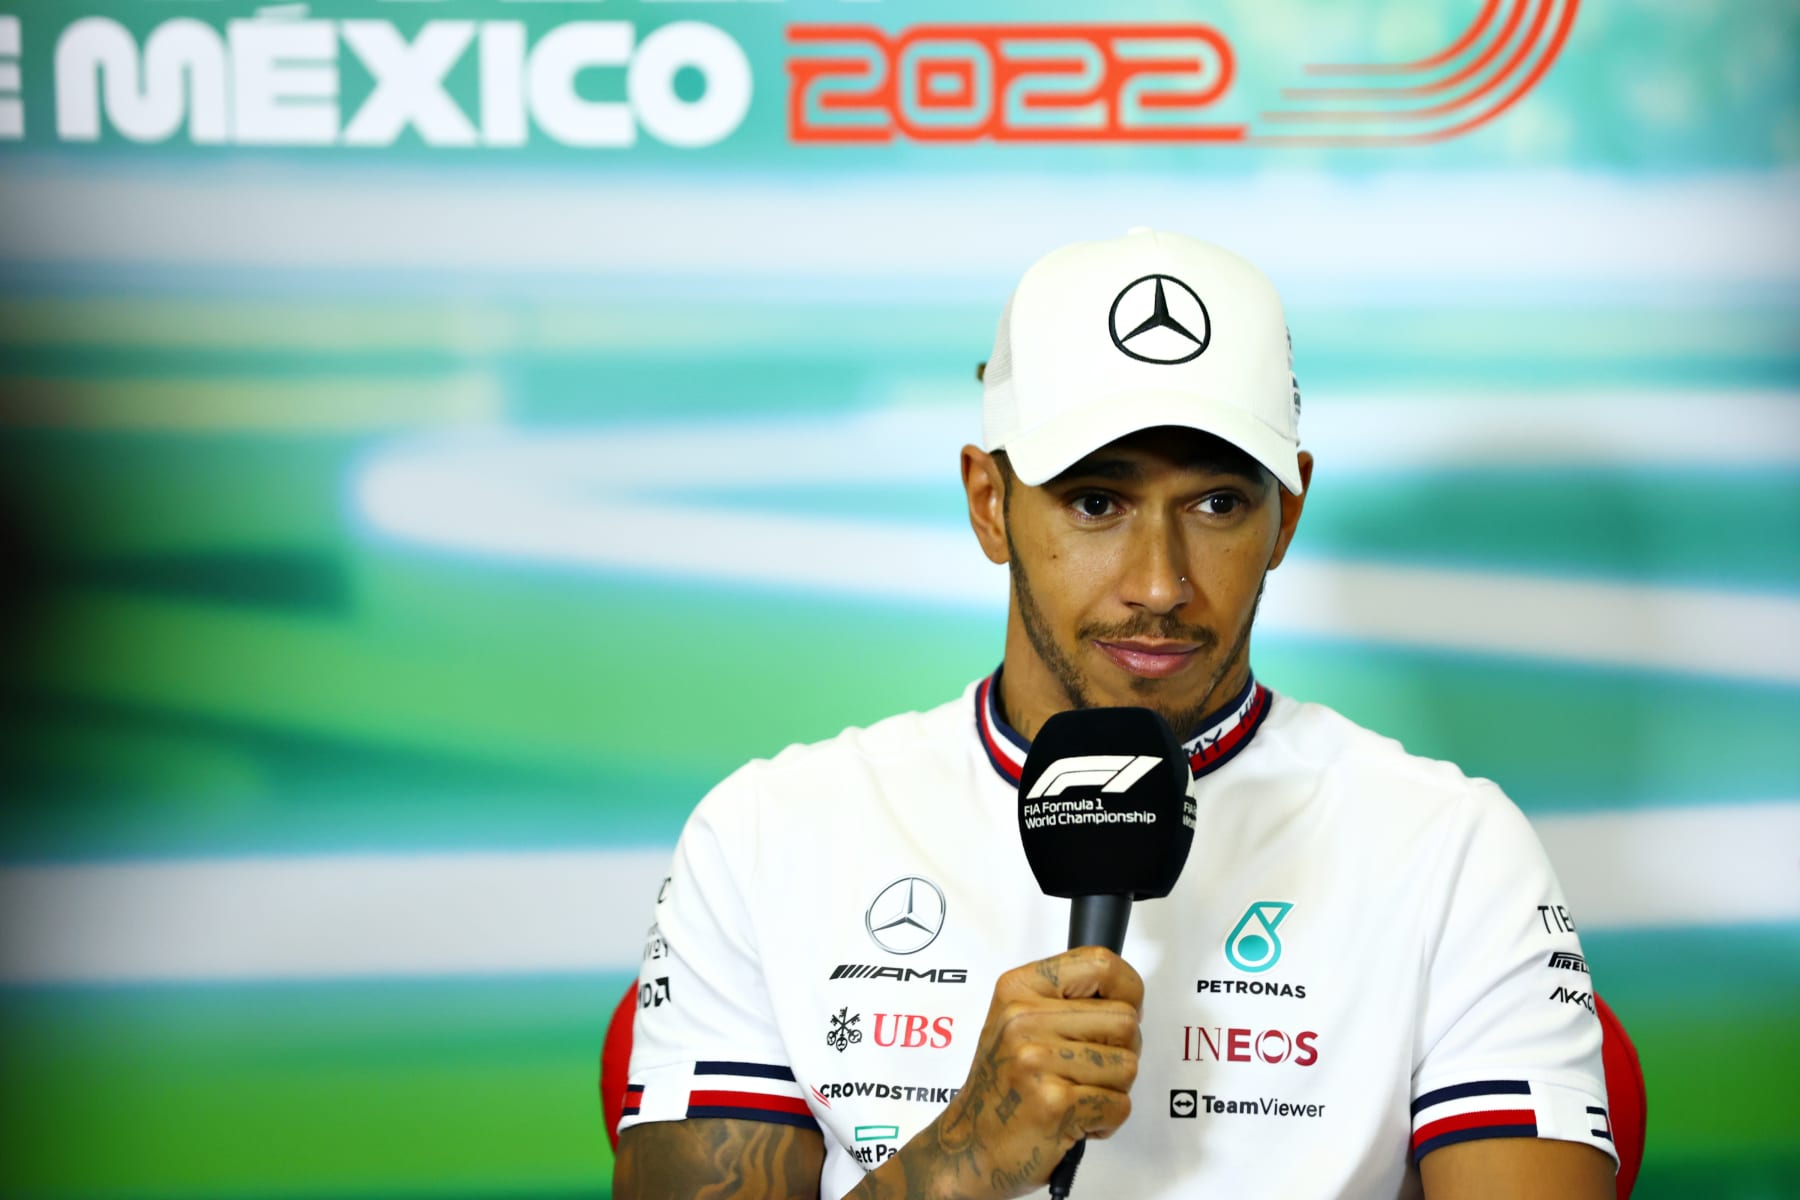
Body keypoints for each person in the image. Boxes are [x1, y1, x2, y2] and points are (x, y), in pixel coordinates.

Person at [612, 230, 1616, 1199]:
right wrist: (969, 1153)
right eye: (1097, 501)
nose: (1161, 584)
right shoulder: (766, 834)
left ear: (1288, 514)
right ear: (988, 503)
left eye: (1218, 503)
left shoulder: (1452, 851)